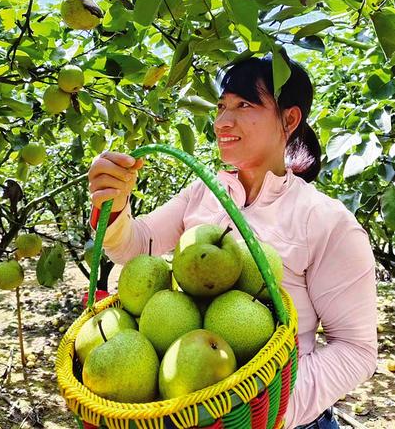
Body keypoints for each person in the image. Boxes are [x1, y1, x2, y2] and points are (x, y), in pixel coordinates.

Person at [87, 55, 377, 429]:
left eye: (244, 105)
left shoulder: (326, 222)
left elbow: (355, 350)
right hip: (187, 404)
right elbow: (136, 247)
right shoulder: (203, 192)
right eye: (222, 106)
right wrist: (114, 203)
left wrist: (266, 411)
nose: (223, 121)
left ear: (289, 120)